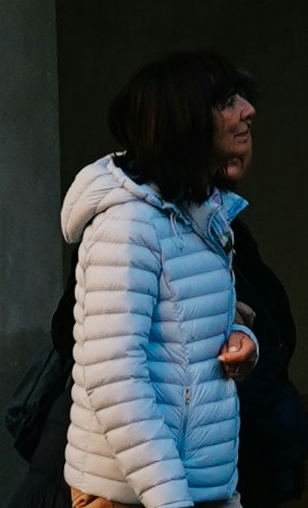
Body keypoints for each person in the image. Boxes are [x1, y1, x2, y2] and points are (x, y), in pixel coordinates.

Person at [64, 50, 266, 508]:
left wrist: (237, 338)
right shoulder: (127, 227)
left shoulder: (201, 215)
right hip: (135, 496)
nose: (247, 111)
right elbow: (115, 378)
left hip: (199, 489)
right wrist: (171, 501)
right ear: (184, 123)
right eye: (224, 102)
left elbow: (180, 330)